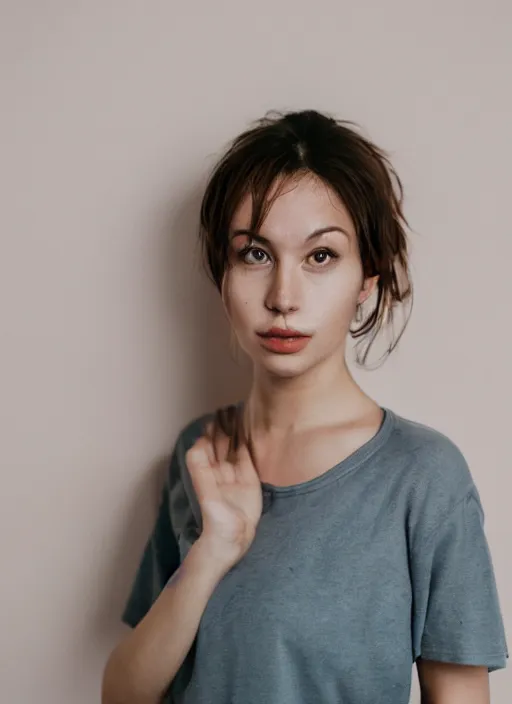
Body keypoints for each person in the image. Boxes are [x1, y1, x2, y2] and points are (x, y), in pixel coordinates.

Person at [102, 110, 508, 704]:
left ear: (367, 279)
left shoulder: (425, 477)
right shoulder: (201, 451)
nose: (283, 298)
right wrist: (211, 551)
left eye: (320, 257)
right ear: (223, 276)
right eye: (255, 255)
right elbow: (123, 694)